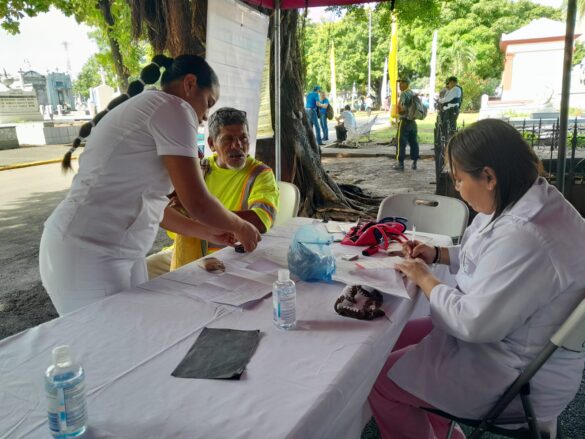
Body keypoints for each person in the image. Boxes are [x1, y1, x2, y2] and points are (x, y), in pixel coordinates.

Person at [369, 119, 585, 439]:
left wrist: (425, 277)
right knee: (385, 338)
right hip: (504, 338)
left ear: (488, 176)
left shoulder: (529, 235)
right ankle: (444, 429)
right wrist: (440, 254)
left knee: (377, 381)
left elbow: (473, 323)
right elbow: (490, 260)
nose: (456, 188)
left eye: (458, 179)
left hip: (512, 372)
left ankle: (434, 425)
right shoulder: (524, 197)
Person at [39, 54, 261, 315]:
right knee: (108, 347)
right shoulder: (173, 108)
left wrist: (209, 233)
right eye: (208, 102)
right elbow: (197, 201)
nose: (205, 116)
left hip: (117, 251)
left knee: (135, 341)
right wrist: (240, 225)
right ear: (190, 83)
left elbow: (156, 208)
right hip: (87, 252)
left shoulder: (154, 107)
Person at [147, 107, 279, 277]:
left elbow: (260, 220)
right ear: (211, 144)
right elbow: (171, 215)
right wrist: (197, 216)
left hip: (227, 255)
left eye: (243, 138)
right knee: (141, 271)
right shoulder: (199, 168)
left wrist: (202, 215)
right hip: (185, 250)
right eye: (228, 139)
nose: (237, 145)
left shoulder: (260, 173)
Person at [394, 78, 420, 171]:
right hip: (413, 122)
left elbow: (402, 108)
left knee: (401, 142)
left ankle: (401, 164)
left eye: (401, 83)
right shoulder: (412, 93)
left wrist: (399, 111)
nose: (399, 85)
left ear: (406, 84)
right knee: (414, 142)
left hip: (404, 121)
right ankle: (414, 163)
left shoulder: (404, 94)